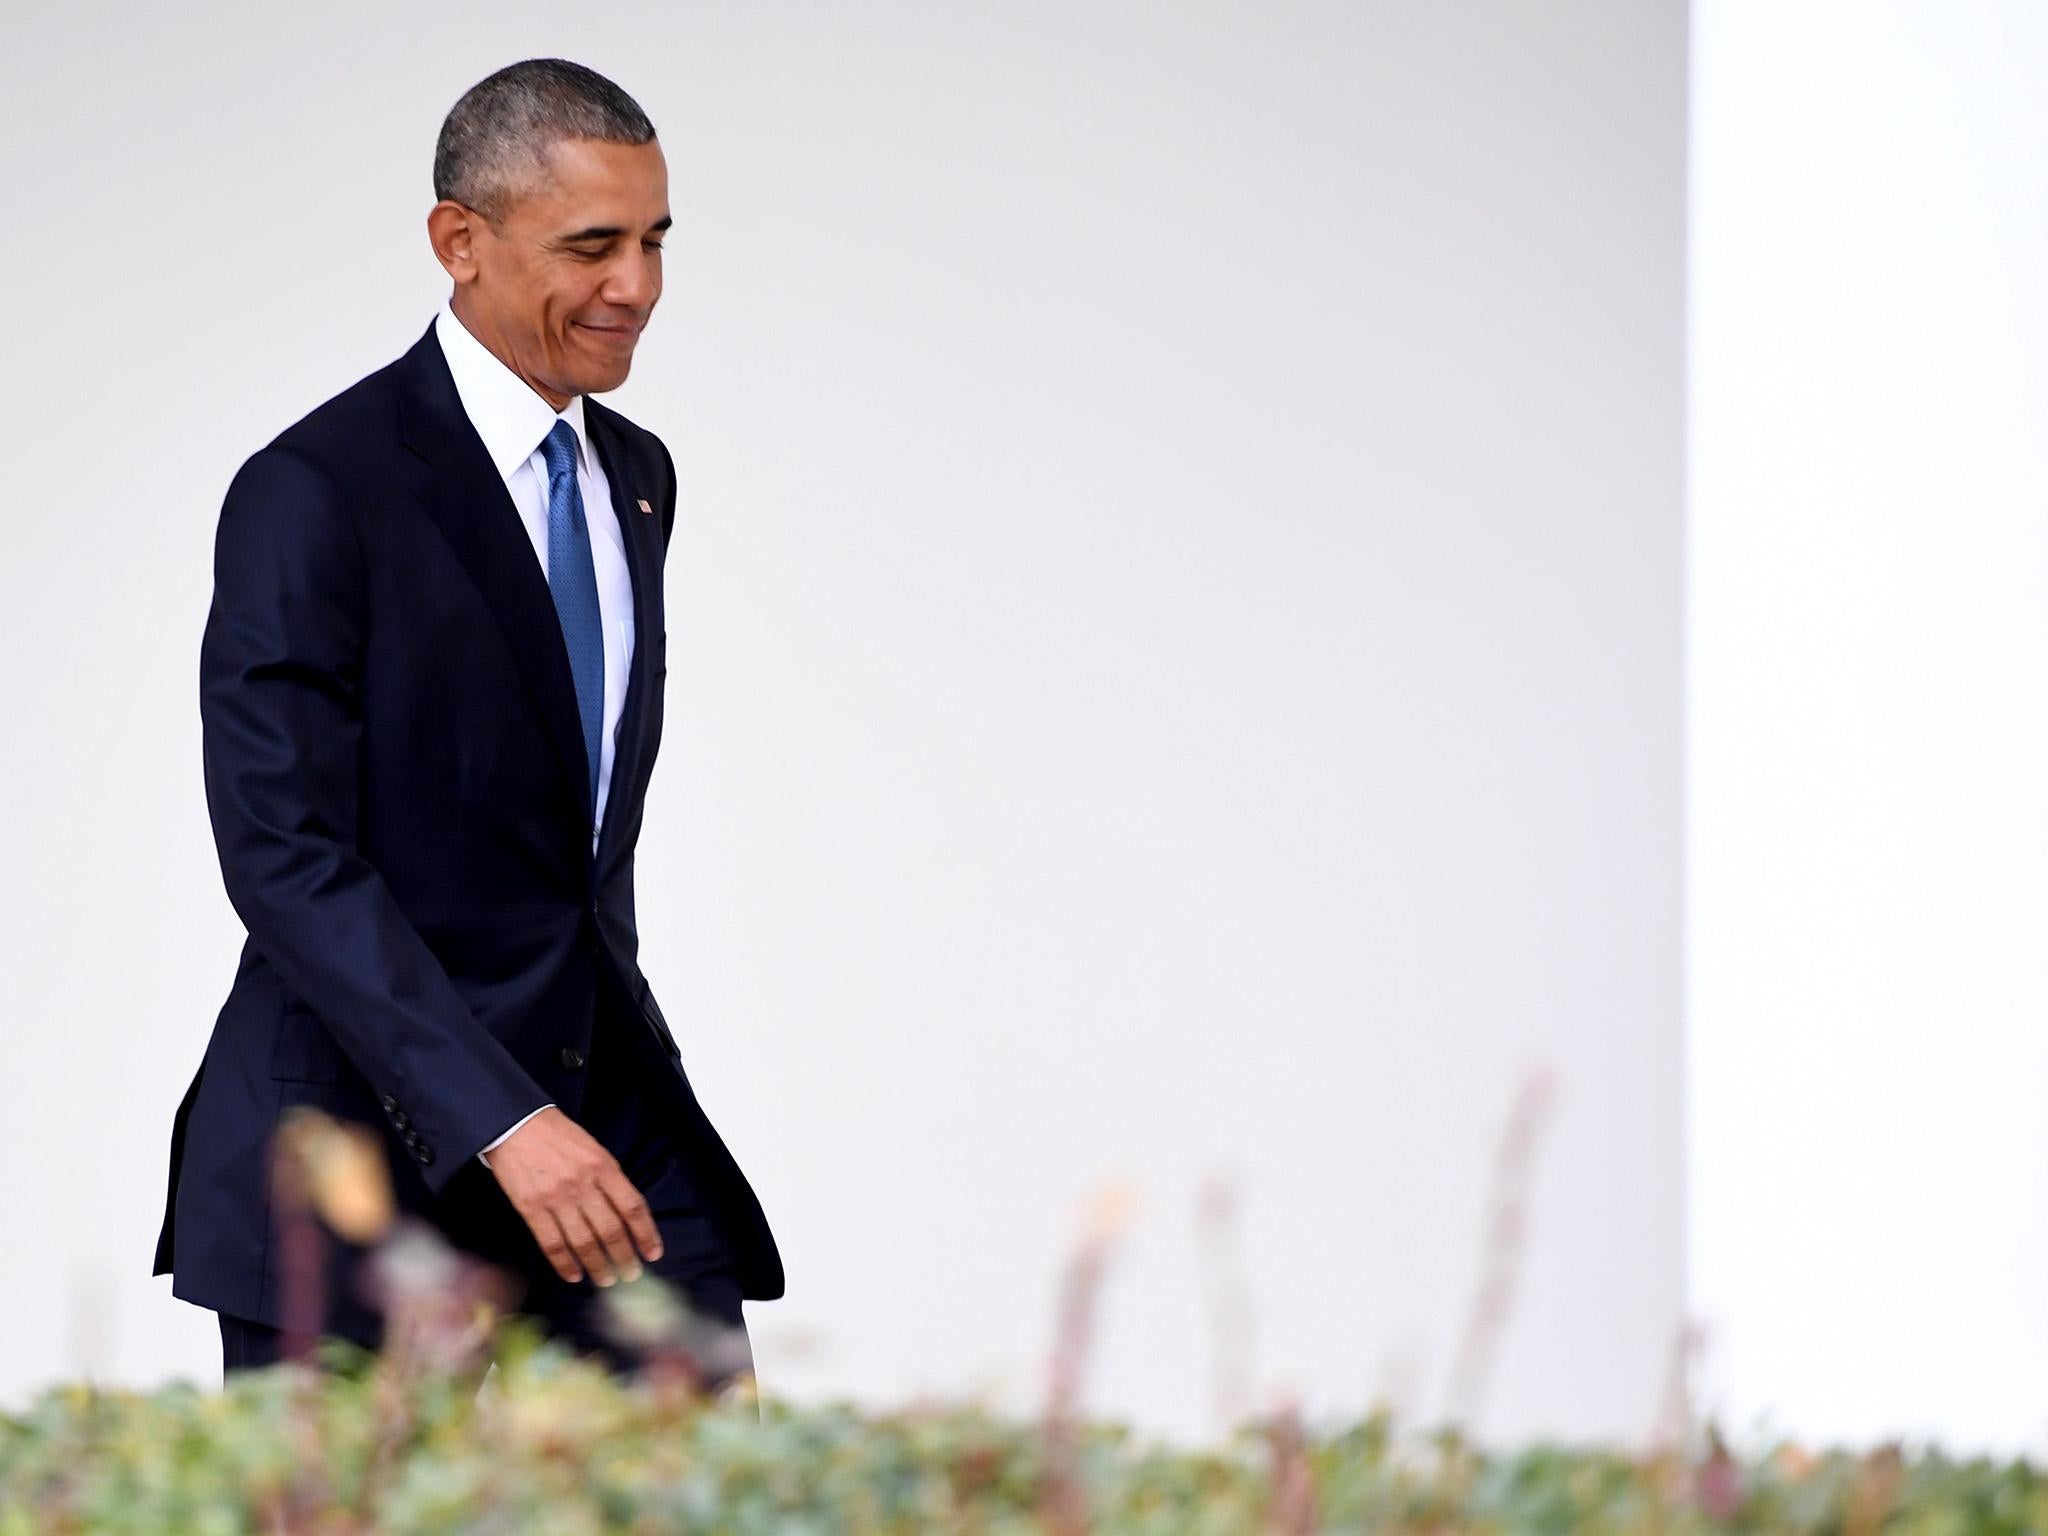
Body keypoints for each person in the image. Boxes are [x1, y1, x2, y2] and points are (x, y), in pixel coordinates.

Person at [151, 57, 783, 1392]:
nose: (639, 289)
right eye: (593, 246)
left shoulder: (636, 479)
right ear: (461, 240)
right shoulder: (317, 490)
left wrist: (562, 1109)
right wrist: (499, 1117)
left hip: (607, 1115)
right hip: (355, 1151)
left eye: (657, 240)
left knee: (710, 1490)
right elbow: (284, 852)